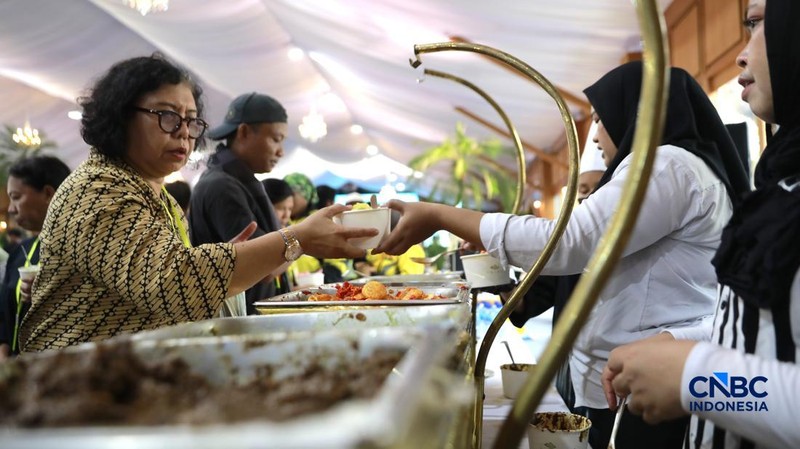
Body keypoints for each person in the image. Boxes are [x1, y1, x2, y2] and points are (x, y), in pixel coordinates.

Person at [375, 61, 750, 449]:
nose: (597, 137)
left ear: (637, 112)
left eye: (602, 120)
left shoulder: (668, 165)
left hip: (649, 380)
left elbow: (570, 242)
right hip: (623, 378)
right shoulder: (667, 167)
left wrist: (440, 215)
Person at [19, 54, 376, 352]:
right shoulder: (98, 188)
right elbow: (173, 283)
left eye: (191, 121)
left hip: (129, 372)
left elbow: (190, 285)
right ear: (119, 115)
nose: (184, 132)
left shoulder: (154, 193)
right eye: (167, 116)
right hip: (74, 384)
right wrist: (296, 239)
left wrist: (237, 261)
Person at [602, 1, 800, 448]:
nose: (741, 53)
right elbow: (759, 324)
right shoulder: (781, 179)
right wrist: (681, 343)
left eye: (760, 24)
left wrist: (697, 378)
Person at [190, 92, 293, 311]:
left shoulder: (235, 180)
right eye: (276, 139)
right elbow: (264, 268)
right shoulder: (222, 187)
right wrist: (303, 239)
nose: (281, 151)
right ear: (244, 132)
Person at [0, 156, 71, 360]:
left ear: (48, 194)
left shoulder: (81, 248)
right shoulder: (20, 251)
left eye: (16, 197)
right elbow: (4, 315)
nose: (11, 209)